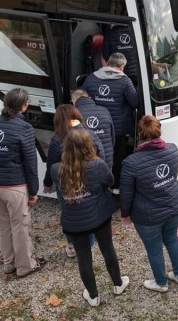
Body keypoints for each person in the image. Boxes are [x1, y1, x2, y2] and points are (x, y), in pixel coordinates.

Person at [51, 129, 128, 306]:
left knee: (83, 258)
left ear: (66, 148)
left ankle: (93, 296)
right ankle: (118, 283)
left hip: (74, 221)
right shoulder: (98, 165)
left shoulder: (56, 169)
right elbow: (109, 181)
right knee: (107, 248)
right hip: (99, 214)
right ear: (88, 145)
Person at [0, 88, 44, 278]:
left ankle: (9, 263)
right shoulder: (24, 128)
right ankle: (25, 266)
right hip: (13, 186)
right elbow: (30, 163)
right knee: (20, 227)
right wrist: (33, 191)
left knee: (4, 226)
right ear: (24, 106)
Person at [120, 115, 178, 293]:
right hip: (174, 207)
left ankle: (161, 282)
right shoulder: (173, 150)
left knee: (154, 249)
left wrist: (125, 214)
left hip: (148, 216)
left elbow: (126, 193)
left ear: (139, 135)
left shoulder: (131, 163)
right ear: (159, 131)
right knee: (172, 239)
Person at [43, 104, 105, 258]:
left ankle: (71, 245)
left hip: (66, 184)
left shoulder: (57, 140)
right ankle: (89, 246)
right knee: (88, 212)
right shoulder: (90, 134)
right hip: (89, 179)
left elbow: (51, 164)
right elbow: (102, 155)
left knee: (68, 213)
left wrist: (48, 181)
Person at [82, 52, 139, 189]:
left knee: (94, 156)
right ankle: (115, 186)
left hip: (94, 126)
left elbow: (81, 98)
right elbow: (135, 102)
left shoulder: (92, 78)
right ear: (122, 67)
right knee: (117, 158)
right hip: (118, 128)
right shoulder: (125, 81)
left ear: (107, 63)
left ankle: (93, 186)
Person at [71, 89, 115, 167]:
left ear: (74, 101)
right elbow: (112, 137)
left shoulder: (74, 114)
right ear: (88, 98)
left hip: (84, 163)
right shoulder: (105, 110)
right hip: (106, 161)